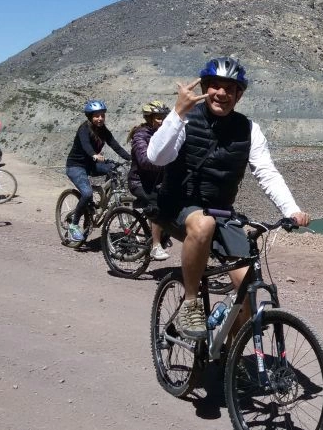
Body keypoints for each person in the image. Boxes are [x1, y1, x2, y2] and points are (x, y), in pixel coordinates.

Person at [148, 57, 310, 340]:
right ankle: (190, 302)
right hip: (178, 204)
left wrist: (292, 209)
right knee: (203, 225)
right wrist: (177, 113)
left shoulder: (249, 130)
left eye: (230, 88)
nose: (221, 93)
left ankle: (227, 357)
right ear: (206, 88)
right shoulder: (185, 120)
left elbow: (266, 172)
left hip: (222, 212)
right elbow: (156, 157)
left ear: (239, 94)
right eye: (215, 86)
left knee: (247, 291)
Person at [64, 100, 132, 242]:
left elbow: (116, 146)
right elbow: (86, 145)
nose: (100, 118)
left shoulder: (103, 131)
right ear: (90, 117)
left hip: (91, 164)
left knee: (115, 170)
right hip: (76, 166)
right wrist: (94, 154)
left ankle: (102, 200)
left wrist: (132, 158)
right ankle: (74, 225)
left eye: (102, 115)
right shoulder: (84, 129)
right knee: (87, 193)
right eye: (96, 116)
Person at [127, 100, 171, 261]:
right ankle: (155, 246)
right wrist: (168, 164)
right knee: (156, 205)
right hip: (139, 182)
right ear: (150, 118)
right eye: (158, 118)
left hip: (157, 182)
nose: (162, 121)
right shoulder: (141, 135)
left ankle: (163, 231)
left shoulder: (164, 134)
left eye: (164, 118)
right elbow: (144, 161)